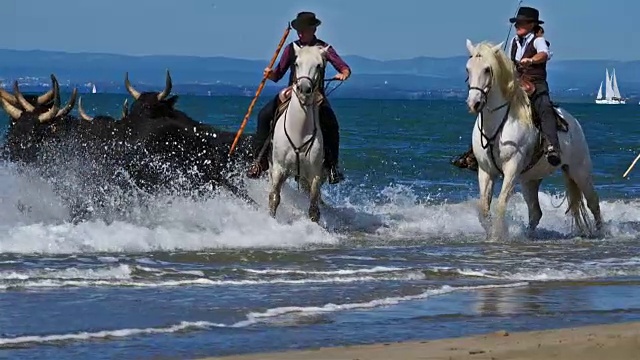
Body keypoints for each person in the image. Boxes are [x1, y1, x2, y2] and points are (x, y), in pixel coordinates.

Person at [246, 11, 352, 184]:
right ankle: (260, 161)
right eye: (298, 30)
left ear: (313, 29)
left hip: (316, 95)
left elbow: (344, 67)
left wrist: (343, 74)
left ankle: (332, 167)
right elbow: (279, 73)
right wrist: (270, 74)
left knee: (332, 124)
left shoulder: (323, 49)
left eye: (304, 29)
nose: (300, 33)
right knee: (263, 115)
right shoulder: (292, 48)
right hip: (292, 92)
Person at [452, 6, 560, 171]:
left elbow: (543, 54)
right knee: (489, 106)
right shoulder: (514, 42)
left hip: (535, 84)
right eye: (517, 23)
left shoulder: (538, 41)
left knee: (544, 107)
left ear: (532, 24)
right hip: (516, 82)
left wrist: (531, 60)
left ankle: (552, 146)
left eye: (522, 23)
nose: (518, 26)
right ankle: (475, 152)